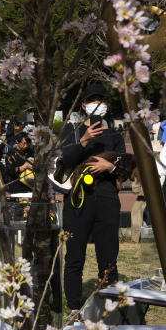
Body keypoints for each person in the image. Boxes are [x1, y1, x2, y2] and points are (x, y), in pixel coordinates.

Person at [58, 82, 126, 309]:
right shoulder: (71, 130)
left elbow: (125, 167)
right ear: (84, 105)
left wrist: (111, 166)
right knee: (74, 257)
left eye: (102, 100)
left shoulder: (115, 134)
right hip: (77, 200)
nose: (97, 105)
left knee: (108, 258)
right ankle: (74, 307)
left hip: (107, 199)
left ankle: (110, 308)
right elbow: (64, 161)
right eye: (92, 101)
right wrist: (84, 140)